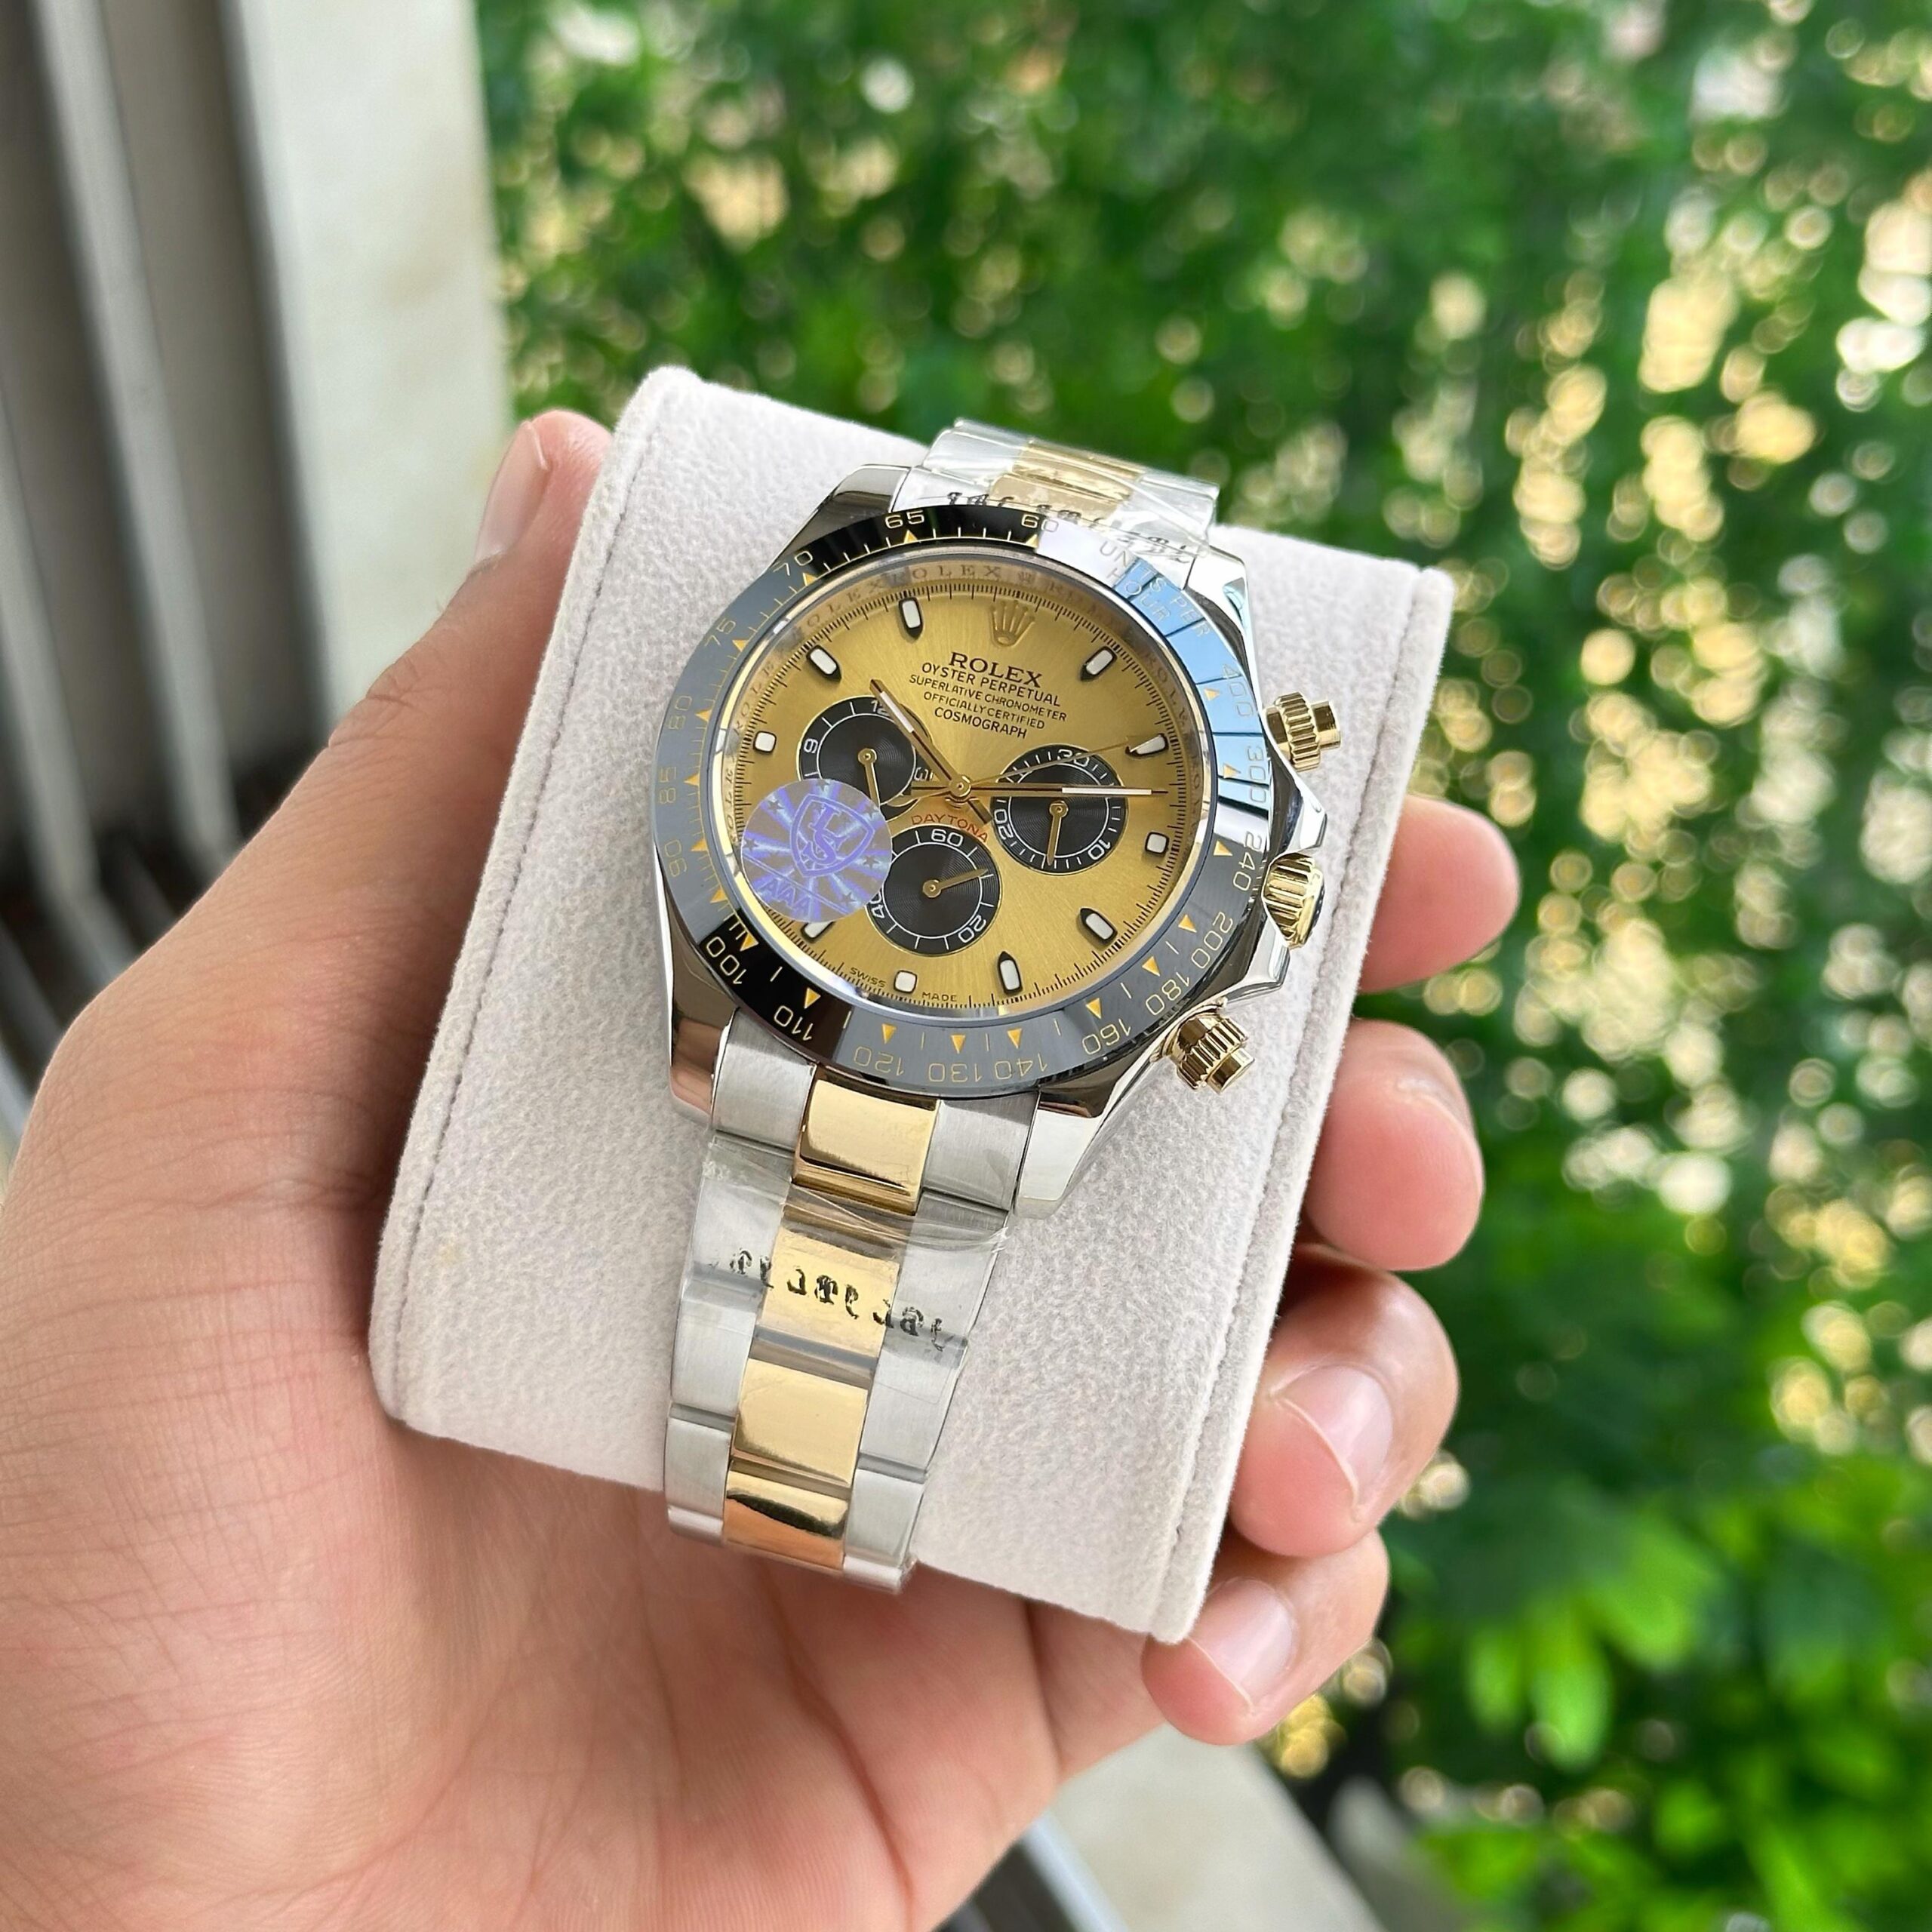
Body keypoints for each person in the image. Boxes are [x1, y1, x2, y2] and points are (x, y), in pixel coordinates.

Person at [0, 413, 1518, 1930]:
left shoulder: (1196, 845)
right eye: (897, 760)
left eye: (1037, 809)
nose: (952, 807)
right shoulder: (819, 655)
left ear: (1255, 879)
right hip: (781, 987)